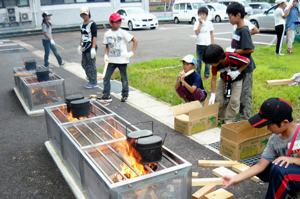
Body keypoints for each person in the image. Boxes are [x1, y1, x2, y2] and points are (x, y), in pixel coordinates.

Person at [223, 98, 300, 199]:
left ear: (284, 122)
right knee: (265, 169)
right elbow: (260, 166)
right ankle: (289, 190)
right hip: (292, 172)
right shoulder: (274, 139)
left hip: (290, 172)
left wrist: (292, 160)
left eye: (269, 125)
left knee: (279, 171)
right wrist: (235, 178)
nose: (267, 128)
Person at [203, 44, 249, 124]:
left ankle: (229, 120)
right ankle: (220, 116)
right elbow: (213, 78)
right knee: (219, 98)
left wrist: (238, 71)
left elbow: (247, 61)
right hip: (223, 79)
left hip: (236, 80)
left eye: (211, 63)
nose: (211, 65)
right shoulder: (215, 65)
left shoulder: (232, 57)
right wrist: (213, 94)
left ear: (219, 59)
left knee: (234, 100)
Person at [226, 2, 255, 121]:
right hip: (238, 66)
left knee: (245, 94)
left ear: (238, 15)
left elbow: (250, 49)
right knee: (237, 92)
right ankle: (239, 115)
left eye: (230, 16)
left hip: (246, 68)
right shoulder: (237, 29)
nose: (229, 19)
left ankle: (245, 119)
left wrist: (234, 51)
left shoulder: (244, 30)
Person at [100, 13, 138, 103]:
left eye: (119, 22)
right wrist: (106, 55)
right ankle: (106, 95)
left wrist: (131, 52)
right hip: (111, 60)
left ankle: (125, 95)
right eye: (116, 22)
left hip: (122, 60)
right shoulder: (107, 34)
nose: (118, 24)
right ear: (111, 23)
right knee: (106, 77)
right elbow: (107, 46)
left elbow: (135, 40)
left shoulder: (123, 32)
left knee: (124, 78)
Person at [77, 7, 98, 89]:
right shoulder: (81, 25)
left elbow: (94, 37)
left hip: (91, 47)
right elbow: (82, 36)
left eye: (85, 14)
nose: (83, 16)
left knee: (91, 65)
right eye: (82, 14)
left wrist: (93, 48)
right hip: (84, 47)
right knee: (84, 64)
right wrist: (80, 45)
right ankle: (90, 77)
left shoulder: (92, 24)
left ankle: (93, 82)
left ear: (88, 14)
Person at [194, 7, 214, 79]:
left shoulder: (209, 23)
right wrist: (200, 24)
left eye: (203, 14)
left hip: (208, 44)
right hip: (199, 44)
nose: (202, 16)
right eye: (200, 14)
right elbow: (196, 32)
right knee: (198, 60)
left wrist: (212, 43)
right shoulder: (196, 22)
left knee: (207, 60)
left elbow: (211, 33)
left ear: (206, 15)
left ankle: (207, 74)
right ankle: (198, 74)